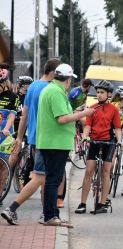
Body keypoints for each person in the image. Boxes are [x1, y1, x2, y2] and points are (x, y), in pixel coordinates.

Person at [1, 58, 62, 225]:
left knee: (44, 177)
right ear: (52, 73)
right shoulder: (51, 88)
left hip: (34, 137)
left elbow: (24, 115)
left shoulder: (33, 86)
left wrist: (20, 137)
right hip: (47, 139)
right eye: (59, 74)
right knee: (41, 178)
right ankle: (14, 209)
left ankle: (46, 213)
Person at [36, 64, 94, 226]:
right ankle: (50, 216)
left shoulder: (53, 90)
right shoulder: (55, 92)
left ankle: (52, 214)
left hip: (52, 142)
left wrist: (76, 112)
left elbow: (64, 115)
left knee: (52, 179)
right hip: (55, 143)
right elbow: (61, 119)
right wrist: (84, 113)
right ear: (68, 79)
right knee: (54, 180)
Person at [75, 80, 122, 215]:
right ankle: (82, 203)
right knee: (89, 171)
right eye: (98, 92)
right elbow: (88, 126)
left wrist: (119, 140)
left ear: (108, 94)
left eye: (102, 92)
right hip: (95, 141)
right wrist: (84, 136)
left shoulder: (113, 109)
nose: (99, 95)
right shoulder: (92, 108)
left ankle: (102, 203)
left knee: (106, 171)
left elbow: (117, 128)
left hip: (108, 142)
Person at [0, 68, 19, 207]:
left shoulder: (13, 97)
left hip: (5, 135)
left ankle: (0, 194)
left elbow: (12, 115)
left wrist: (6, 128)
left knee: (3, 167)